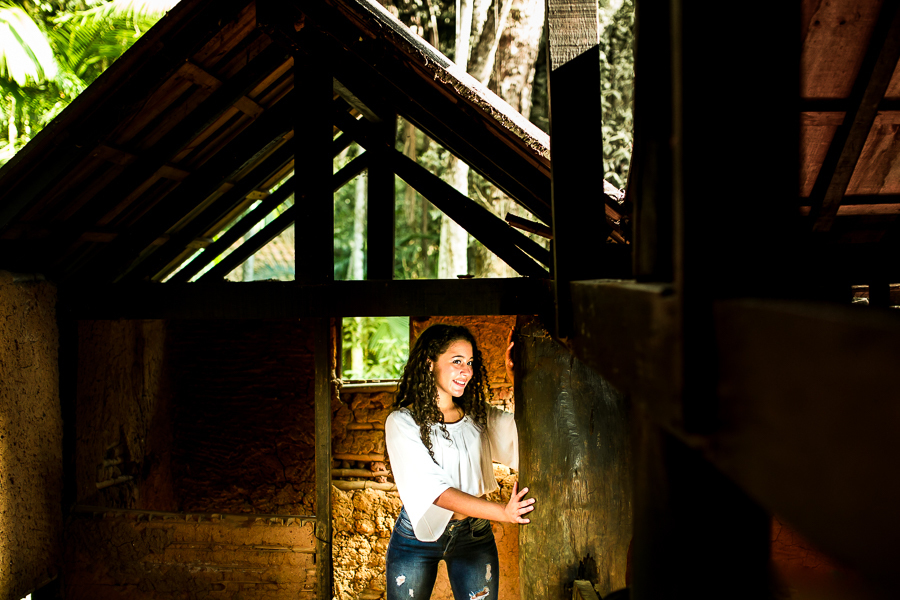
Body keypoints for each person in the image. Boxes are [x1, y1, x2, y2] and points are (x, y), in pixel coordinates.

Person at [384, 324, 535, 600]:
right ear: (429, 364)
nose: (466, 370)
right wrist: (504, 512)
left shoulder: (477, 416)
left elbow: (524, 435)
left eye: (470, 363)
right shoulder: (402, 423)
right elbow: (437, 493)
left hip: (474, 536)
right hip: (415, 538)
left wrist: (518, 379)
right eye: (456, 361)